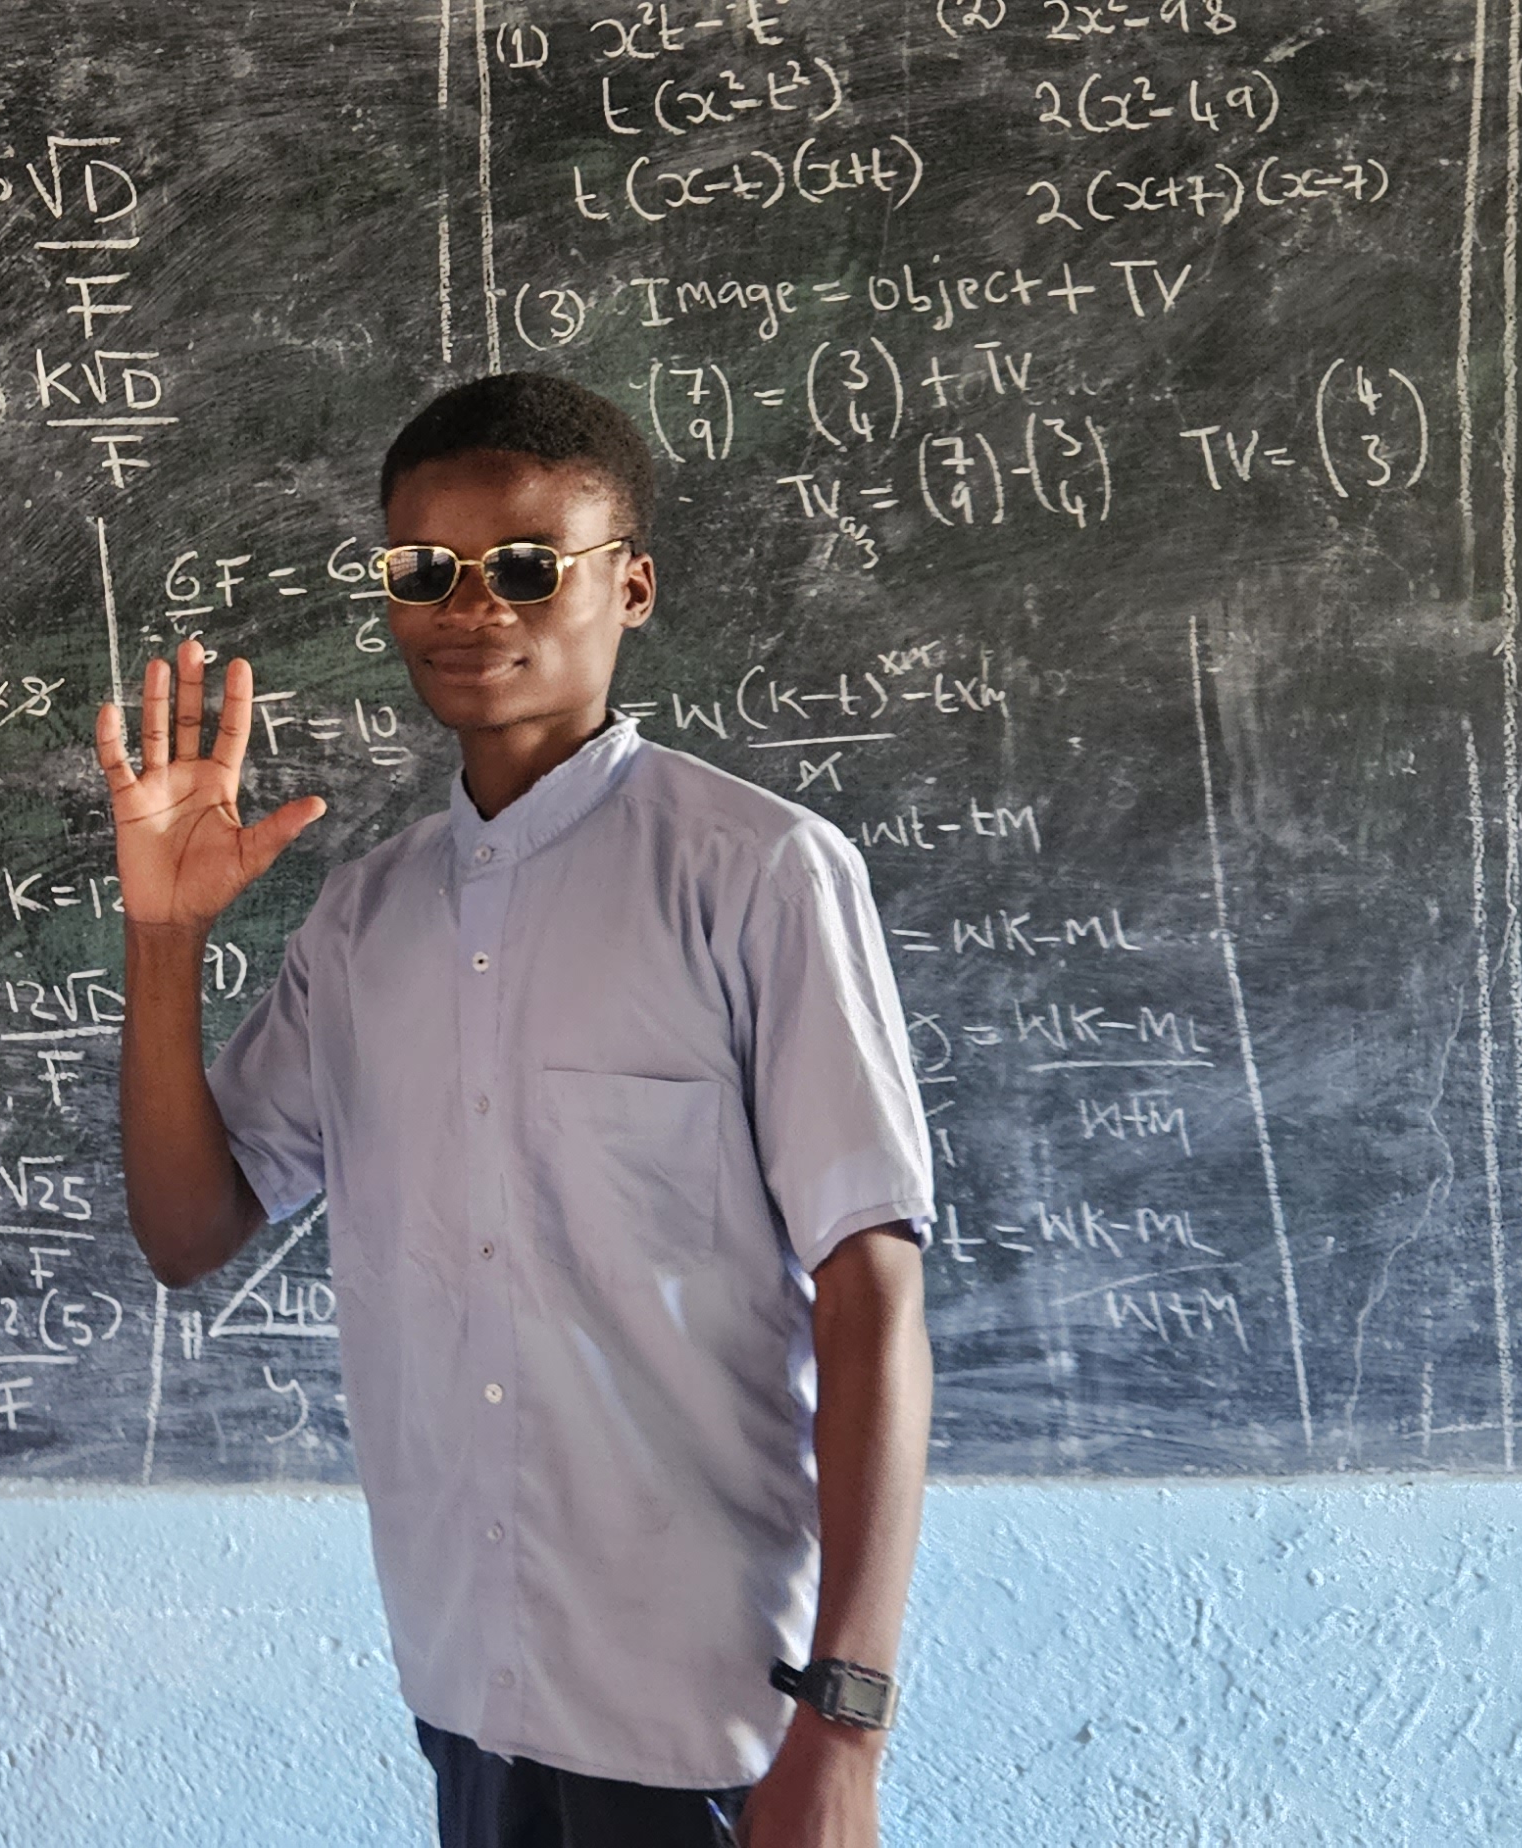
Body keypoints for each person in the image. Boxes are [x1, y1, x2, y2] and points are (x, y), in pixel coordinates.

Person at [95, 373, 934, 1848]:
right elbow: (186, 1230)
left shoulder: (756, 875)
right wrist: (163, 942)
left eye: (531, 566)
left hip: (713, 1709)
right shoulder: (364, 921)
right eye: (426, 570)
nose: (473, 607)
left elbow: (869, 1288)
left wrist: (847, 1717)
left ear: (633, 586)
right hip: (465, 1677)